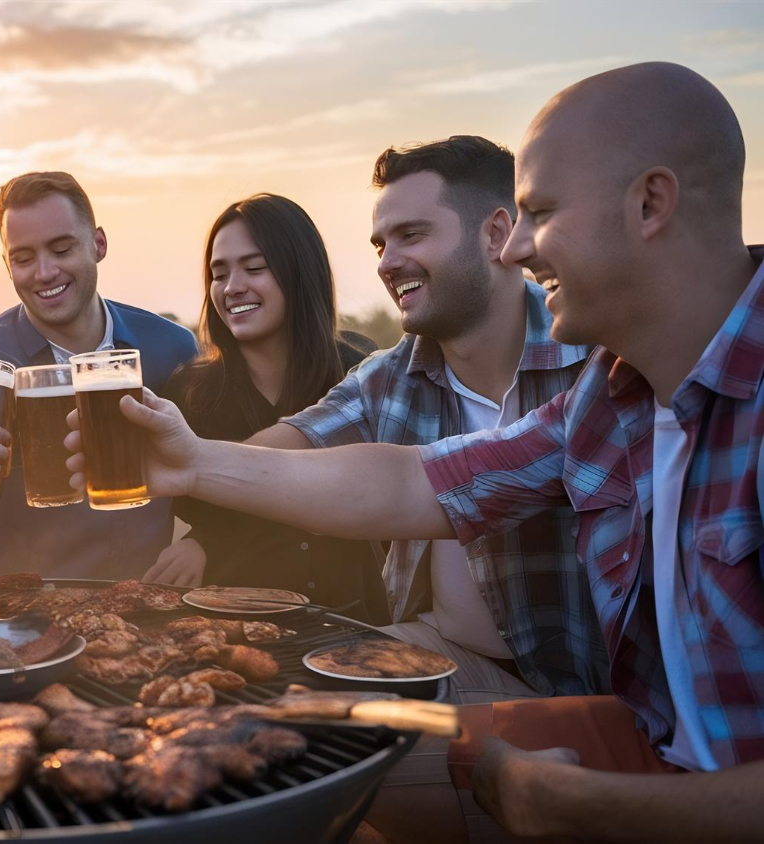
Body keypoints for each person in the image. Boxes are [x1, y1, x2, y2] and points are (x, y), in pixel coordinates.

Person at [66, 62, 764, 843]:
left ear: (650, 203)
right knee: (274, 737)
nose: (524, 247)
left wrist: (575, 805)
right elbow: (415, 482)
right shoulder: (612, 397)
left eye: (543, 213)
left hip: (638, 739)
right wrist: (193, 464)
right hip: (628, 728)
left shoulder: (616, 370)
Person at [244, 136, 603, 705]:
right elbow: (281, 450)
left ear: (497, 234)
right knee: (282, 704)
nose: (387, 262)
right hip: (444, 654)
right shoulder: (386, 376)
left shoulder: (597, 358)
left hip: (591, 689)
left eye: (411, 235)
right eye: (381, 244)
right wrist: (175, 454)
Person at [0, 171, 198, 579]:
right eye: (23, 258)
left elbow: (212, 465)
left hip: (141, 613)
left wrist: (202, 540)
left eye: (61, 249)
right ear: (7, 265)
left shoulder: (173, 347)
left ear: (99, 244)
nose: (44, 272)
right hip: (15, 612)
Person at [148, 193, 389, 624]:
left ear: (300, 271)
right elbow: (199, 505)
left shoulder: (359, 371)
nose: (232, 286)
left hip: (353, 619)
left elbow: (375, 488)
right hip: (234, 628)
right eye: (218, 274)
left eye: (254, 268)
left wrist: (208, 538)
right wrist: (203, 538)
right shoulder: (190, 390)